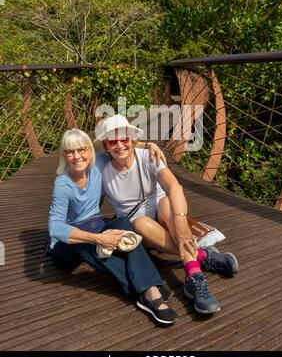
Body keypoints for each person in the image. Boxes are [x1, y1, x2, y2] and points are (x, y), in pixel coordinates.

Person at [94, 114, 239, 315]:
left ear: (132, 139)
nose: (119, 145)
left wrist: (180, 222)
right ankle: (202, 256)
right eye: (112, 141)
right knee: (141, 223)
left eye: (124, 139)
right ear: (106, 145)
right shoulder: (101, 167)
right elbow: (79, 156)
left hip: (163, 212)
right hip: (138, 226)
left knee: (166, 203)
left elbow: (174, 186)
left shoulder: (148, 156)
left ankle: (193, 277)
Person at [48, 128, 177, 325]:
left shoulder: (98, 163)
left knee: (124, 222)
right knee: (84, 242)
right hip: (65, 246)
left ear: (91, 151)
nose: (77, 156)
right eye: (70, 152)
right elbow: (55, 227)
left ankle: (147, 287)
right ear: (63, 155)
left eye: (81, 150)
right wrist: (99, 238)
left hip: (95, 224)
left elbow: (119, 146)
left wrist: (149, 144)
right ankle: (146, 291)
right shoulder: (62, 184)